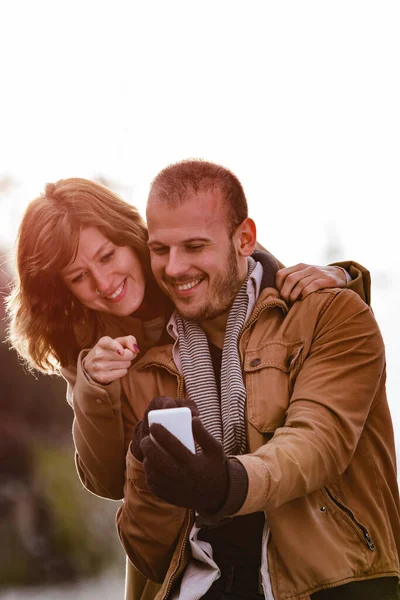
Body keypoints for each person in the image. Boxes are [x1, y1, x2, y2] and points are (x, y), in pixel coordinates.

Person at [5, 177, 371, 599]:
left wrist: (344, 274)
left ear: (131, 238)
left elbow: (260, 282)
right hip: (190, 555)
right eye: (79, 277)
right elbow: (107, 481)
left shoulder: (185, 274)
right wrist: (93, 386)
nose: (104, 283)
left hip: (279, 527)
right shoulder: (86, 338)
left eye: (108, 256)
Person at [116, 159, 400, 600]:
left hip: (328, 584)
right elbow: (150, 554)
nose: (173, 268)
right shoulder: (149, 366)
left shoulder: (331, 314)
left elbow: (315, 443)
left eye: (194, 246)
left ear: (245, 238)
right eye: (160, 250)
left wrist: (225, 484)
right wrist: (142, 466)